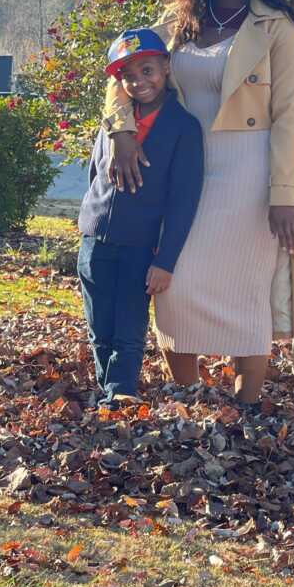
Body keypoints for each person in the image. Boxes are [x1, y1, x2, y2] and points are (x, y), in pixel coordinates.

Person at [103, 0, 294, 404]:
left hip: (250, 172)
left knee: (246, 291)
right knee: (174, 284)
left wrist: (283, 195)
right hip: (177, 169)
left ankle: (247, 407)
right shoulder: (176, 24)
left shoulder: (275, 26)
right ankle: (189, 396)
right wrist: (122, 131)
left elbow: (290, 115)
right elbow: (119, 75)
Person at [77, 28, 204, 407]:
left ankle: (122, 394)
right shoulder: (114, 123)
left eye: (147, 70)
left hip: (140, 246)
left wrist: (165, 260)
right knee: (99, 328)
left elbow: (184, 201)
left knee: (128, 329)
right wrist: (90, 221)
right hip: (94, 241)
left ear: (165, 67)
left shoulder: (184, 128)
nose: (139, 82)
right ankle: (108, 393)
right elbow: (94, 175)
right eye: (128, 76)